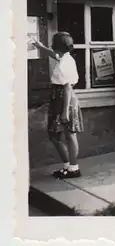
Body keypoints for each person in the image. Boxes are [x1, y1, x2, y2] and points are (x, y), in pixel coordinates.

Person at [31, 32, 84, 178]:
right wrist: (40, 47)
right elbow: (55, 55)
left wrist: (65, 111)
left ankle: (74, 168)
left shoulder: (65, 63)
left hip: (65, 99)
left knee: (69, 134)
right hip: (59, 98)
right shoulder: (65, 57)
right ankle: (68, 166)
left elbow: (67, 88)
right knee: (54, 134)